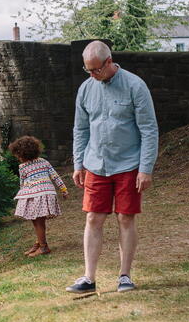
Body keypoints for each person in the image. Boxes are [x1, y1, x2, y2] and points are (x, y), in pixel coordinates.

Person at [66, 40, 158, 294]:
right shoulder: (85, 89)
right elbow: (80, 129)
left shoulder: (135, 86)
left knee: (125, 218)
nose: (93, 75)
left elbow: (149, 130)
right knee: (93, 218)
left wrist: (145, 168)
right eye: (88, 70)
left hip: (128, 164)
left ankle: (125, 276)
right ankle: (88, 278)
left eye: (96, 69)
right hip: (96, 164)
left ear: (109, 62)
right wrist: (78, 164)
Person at [9, 136, 68, 257]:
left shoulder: (23, 167)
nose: (18, 158)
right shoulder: (44, 161)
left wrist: (23, 198)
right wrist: (63, 189)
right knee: (39, 221)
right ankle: (39, 243)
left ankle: (43, 247)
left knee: (37, 222)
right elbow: (55, 176)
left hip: (35, 195)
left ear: (22, 154)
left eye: (18, 156)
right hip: (47, 193)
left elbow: (22, 184)